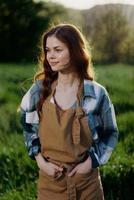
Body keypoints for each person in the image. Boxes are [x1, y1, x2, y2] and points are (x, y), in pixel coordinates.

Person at [20, 23, 119, 200]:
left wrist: (91, 162)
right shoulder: (38, 91)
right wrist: (41, 162)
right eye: (48, 50)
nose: (51, 56)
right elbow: (27, 127)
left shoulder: (96, 93)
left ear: (74, 51)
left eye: (57, 49)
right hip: (51, 182)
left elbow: (110, 133)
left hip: (86, 183)